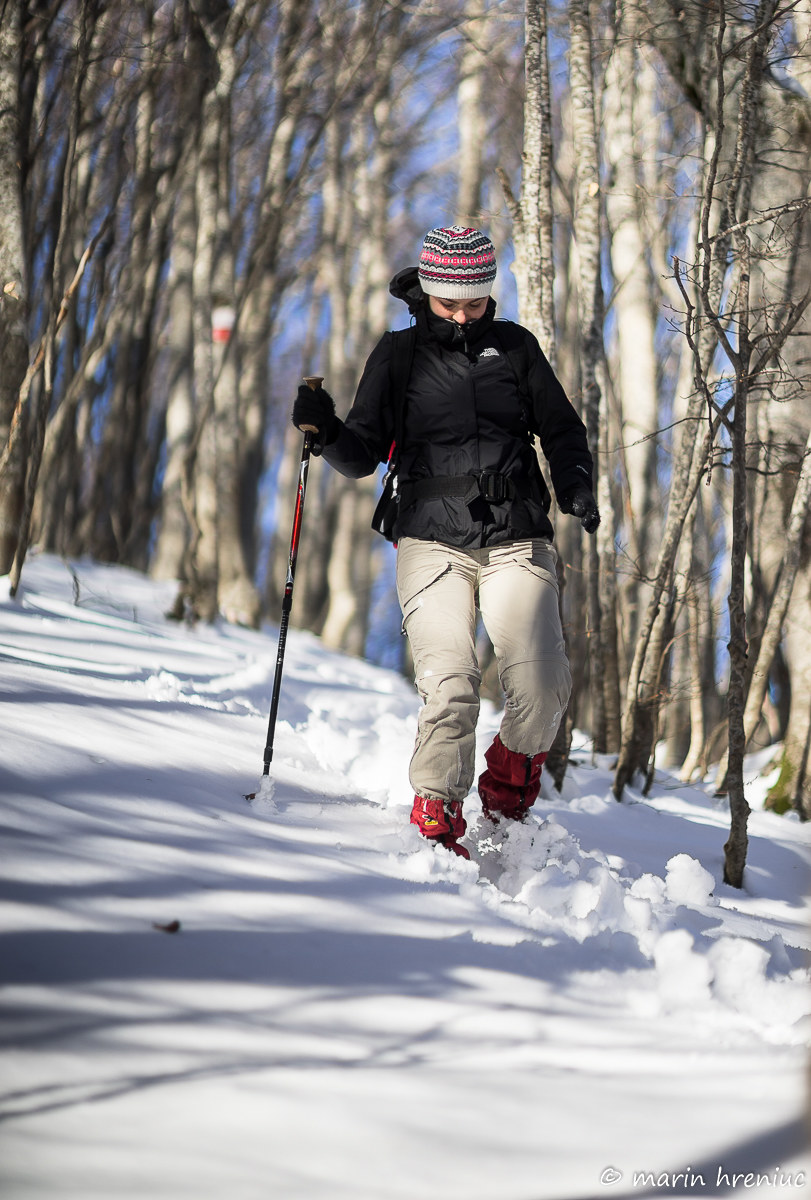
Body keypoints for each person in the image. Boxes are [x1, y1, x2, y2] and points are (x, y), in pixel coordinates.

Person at [292, 225, 599, 858]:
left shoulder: (516, 348)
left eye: (475, 301)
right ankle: (436, 811)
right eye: (448, 301)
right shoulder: (399, 355)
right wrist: (325, 432)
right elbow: (363, 455)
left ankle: (508, 786)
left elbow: (563, 430)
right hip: (431, 538)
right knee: (452, 681)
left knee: (541, 686)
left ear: (490, 293)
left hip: (517, 536)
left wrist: (575, 488)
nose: (462, 313)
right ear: (428, 292)